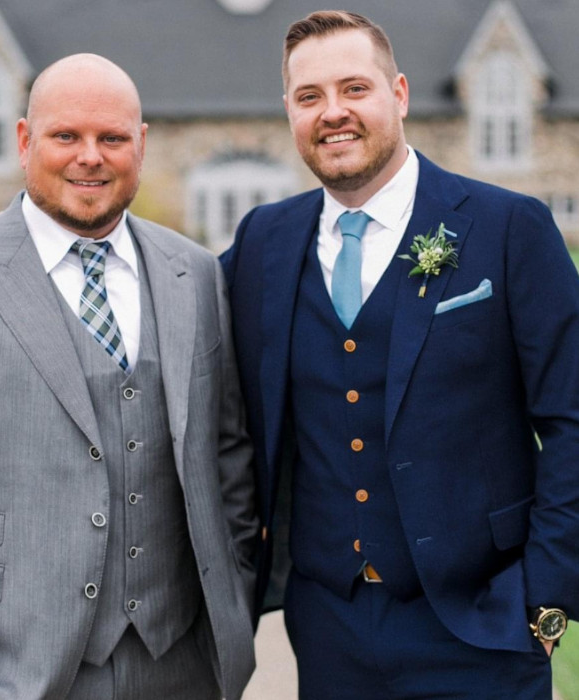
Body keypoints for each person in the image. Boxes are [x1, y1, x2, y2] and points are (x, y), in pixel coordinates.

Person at [221, 10, 579, 700]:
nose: (333, 113)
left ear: (400, 94)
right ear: (289, 112)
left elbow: (572, 416)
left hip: (485, 624)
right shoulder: (264, 242)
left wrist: (548, 593)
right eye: (310, 97)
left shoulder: (509, 228)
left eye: (355, 89)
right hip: (328, 628)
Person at [0, 53, 256, 700]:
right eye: (66, 136)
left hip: (182, 663)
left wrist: (237, 591)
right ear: (26, 141)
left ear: (141, 144)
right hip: (1, 667)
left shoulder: (196, 274)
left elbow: (227, 455)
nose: (91, 156)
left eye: (112, 138)